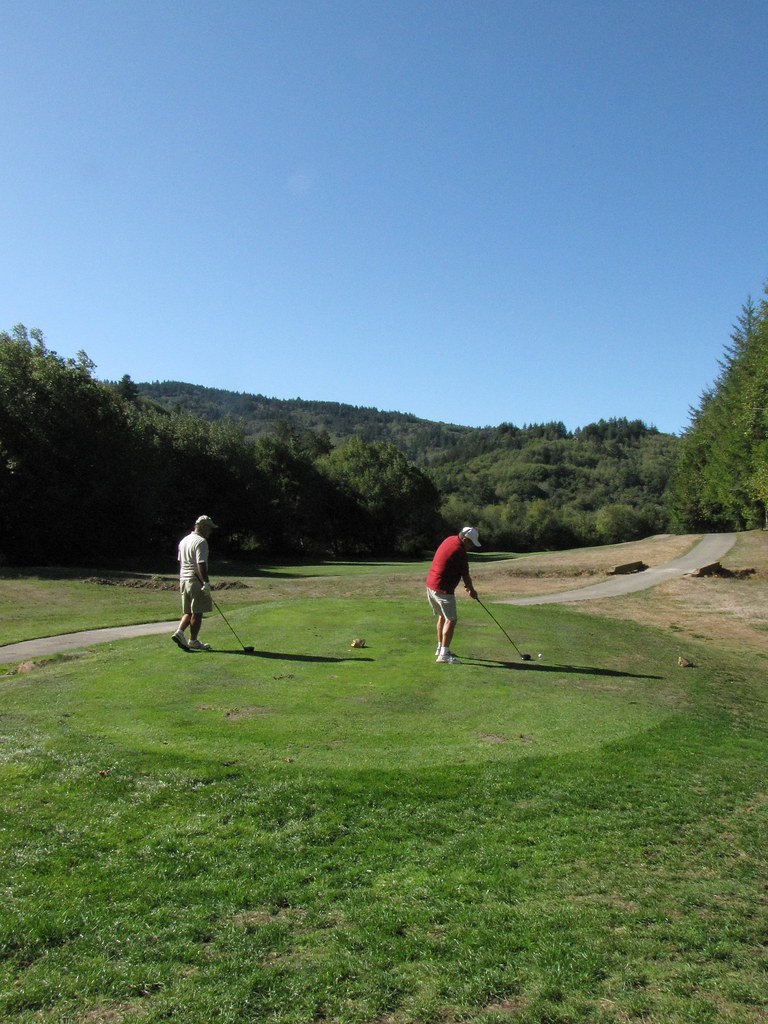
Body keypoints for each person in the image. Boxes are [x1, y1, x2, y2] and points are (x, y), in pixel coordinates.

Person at [426, 526, 480, 664]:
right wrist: (471, 590)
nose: (471, 546)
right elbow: (466, 575)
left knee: (443, 617)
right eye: (471, 543)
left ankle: (440, 648)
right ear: (465, 539)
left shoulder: (450, 539)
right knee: (451, 619)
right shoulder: (459, 551)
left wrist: (468, 587)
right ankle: (444, 655)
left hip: (431, 586)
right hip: (443, 589)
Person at [171, 515, 218, 652]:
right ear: (202, 527)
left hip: (184, 580)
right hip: (196, 580)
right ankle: (193, 640)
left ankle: (179, 632)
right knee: (197, 612)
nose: (210, 531)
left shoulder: (184, 540)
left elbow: (181, 561)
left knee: (188, 610)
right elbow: (201, 563)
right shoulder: (201, 541)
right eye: (209, 528)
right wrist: (206, 582)